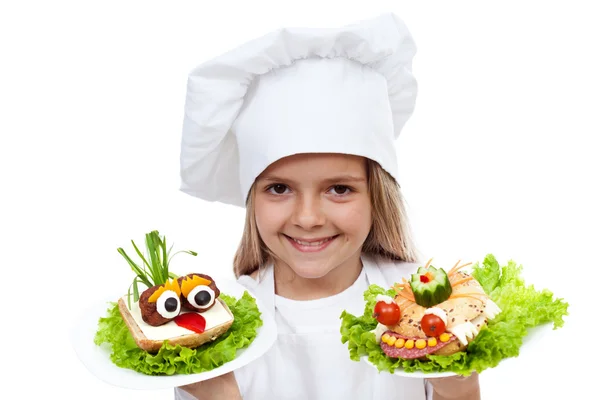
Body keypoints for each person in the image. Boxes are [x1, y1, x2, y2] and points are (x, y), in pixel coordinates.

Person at [174, 12, 481, 400]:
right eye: (279, 188)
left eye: (338, 189)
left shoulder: (425, 305)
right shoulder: (217, 329)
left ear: (376, 196)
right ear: (252, 200)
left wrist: (461, 389)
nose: (307, 218)